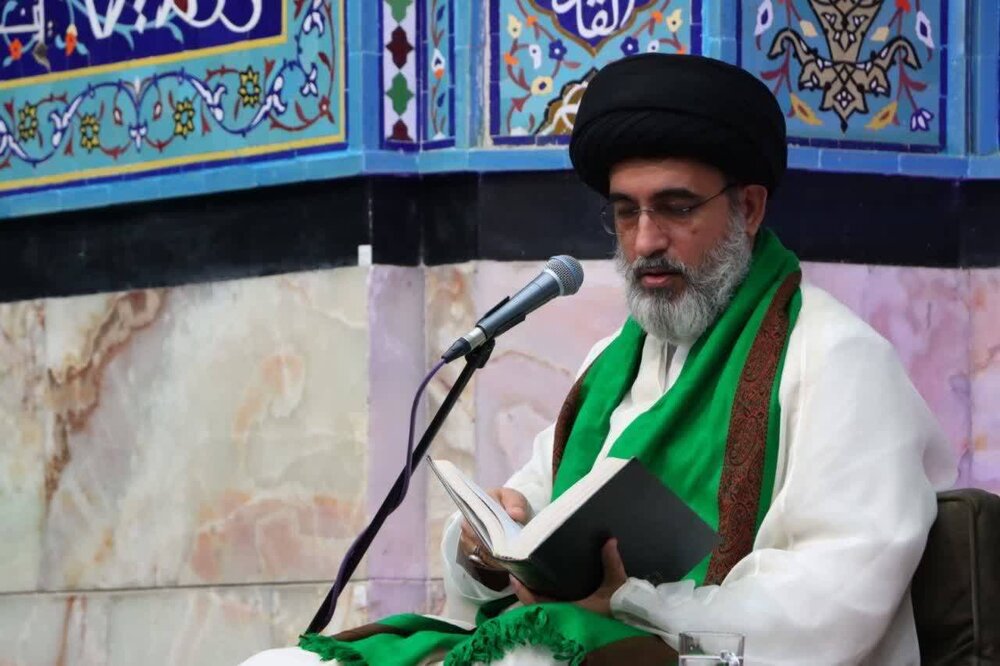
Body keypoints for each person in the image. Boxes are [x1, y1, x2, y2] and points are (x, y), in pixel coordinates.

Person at [242, 53, 956, 666]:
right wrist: (482, 549)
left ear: (749, 208)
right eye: (625, 211)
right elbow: (532, 521)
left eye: (676, 207)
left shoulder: (835, 360)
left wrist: (631, 605)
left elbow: (835, 602)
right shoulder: (610, 368)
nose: (645, 241)